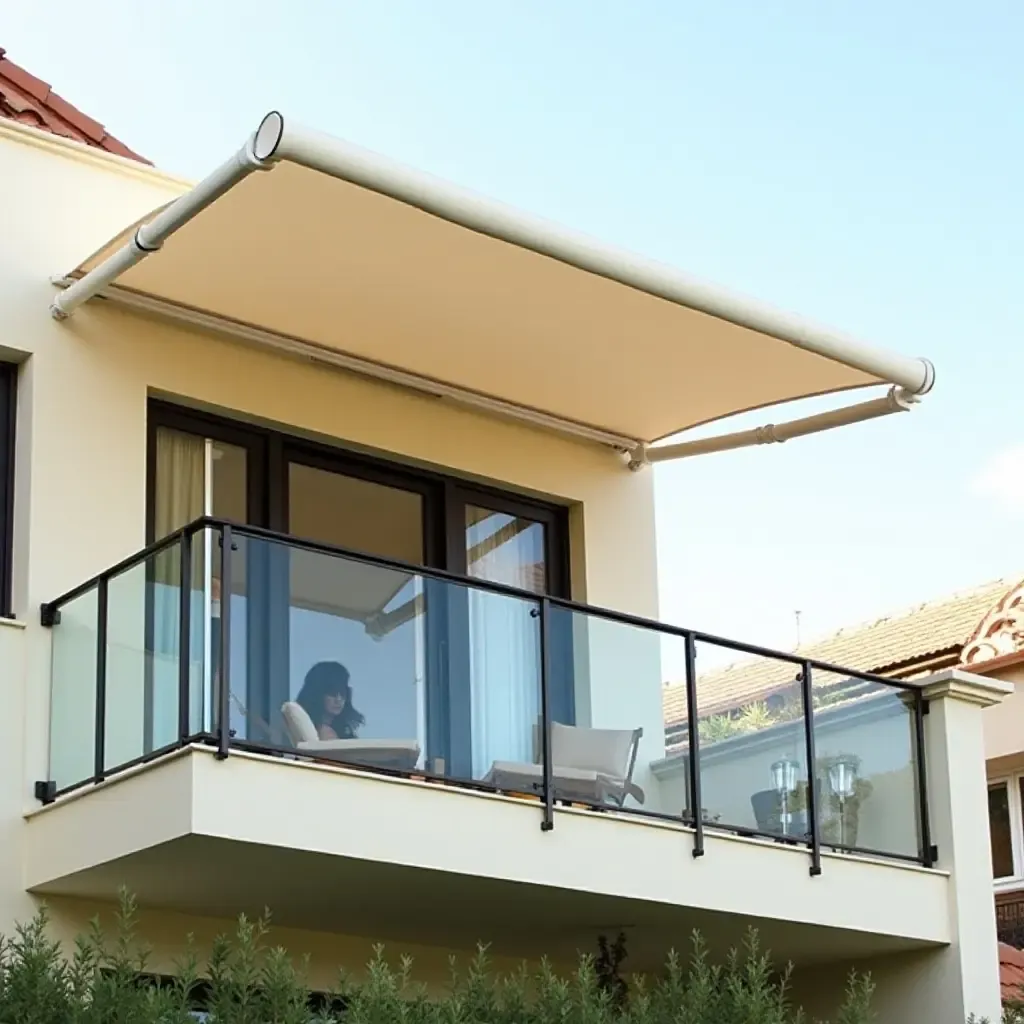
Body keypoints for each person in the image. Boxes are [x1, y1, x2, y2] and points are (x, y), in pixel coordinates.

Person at [295, 661, 364, 741]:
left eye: (342, 692)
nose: (338, 699)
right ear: (317, 694)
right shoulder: (319, 731)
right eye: (332, 693)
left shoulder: (343, 730)